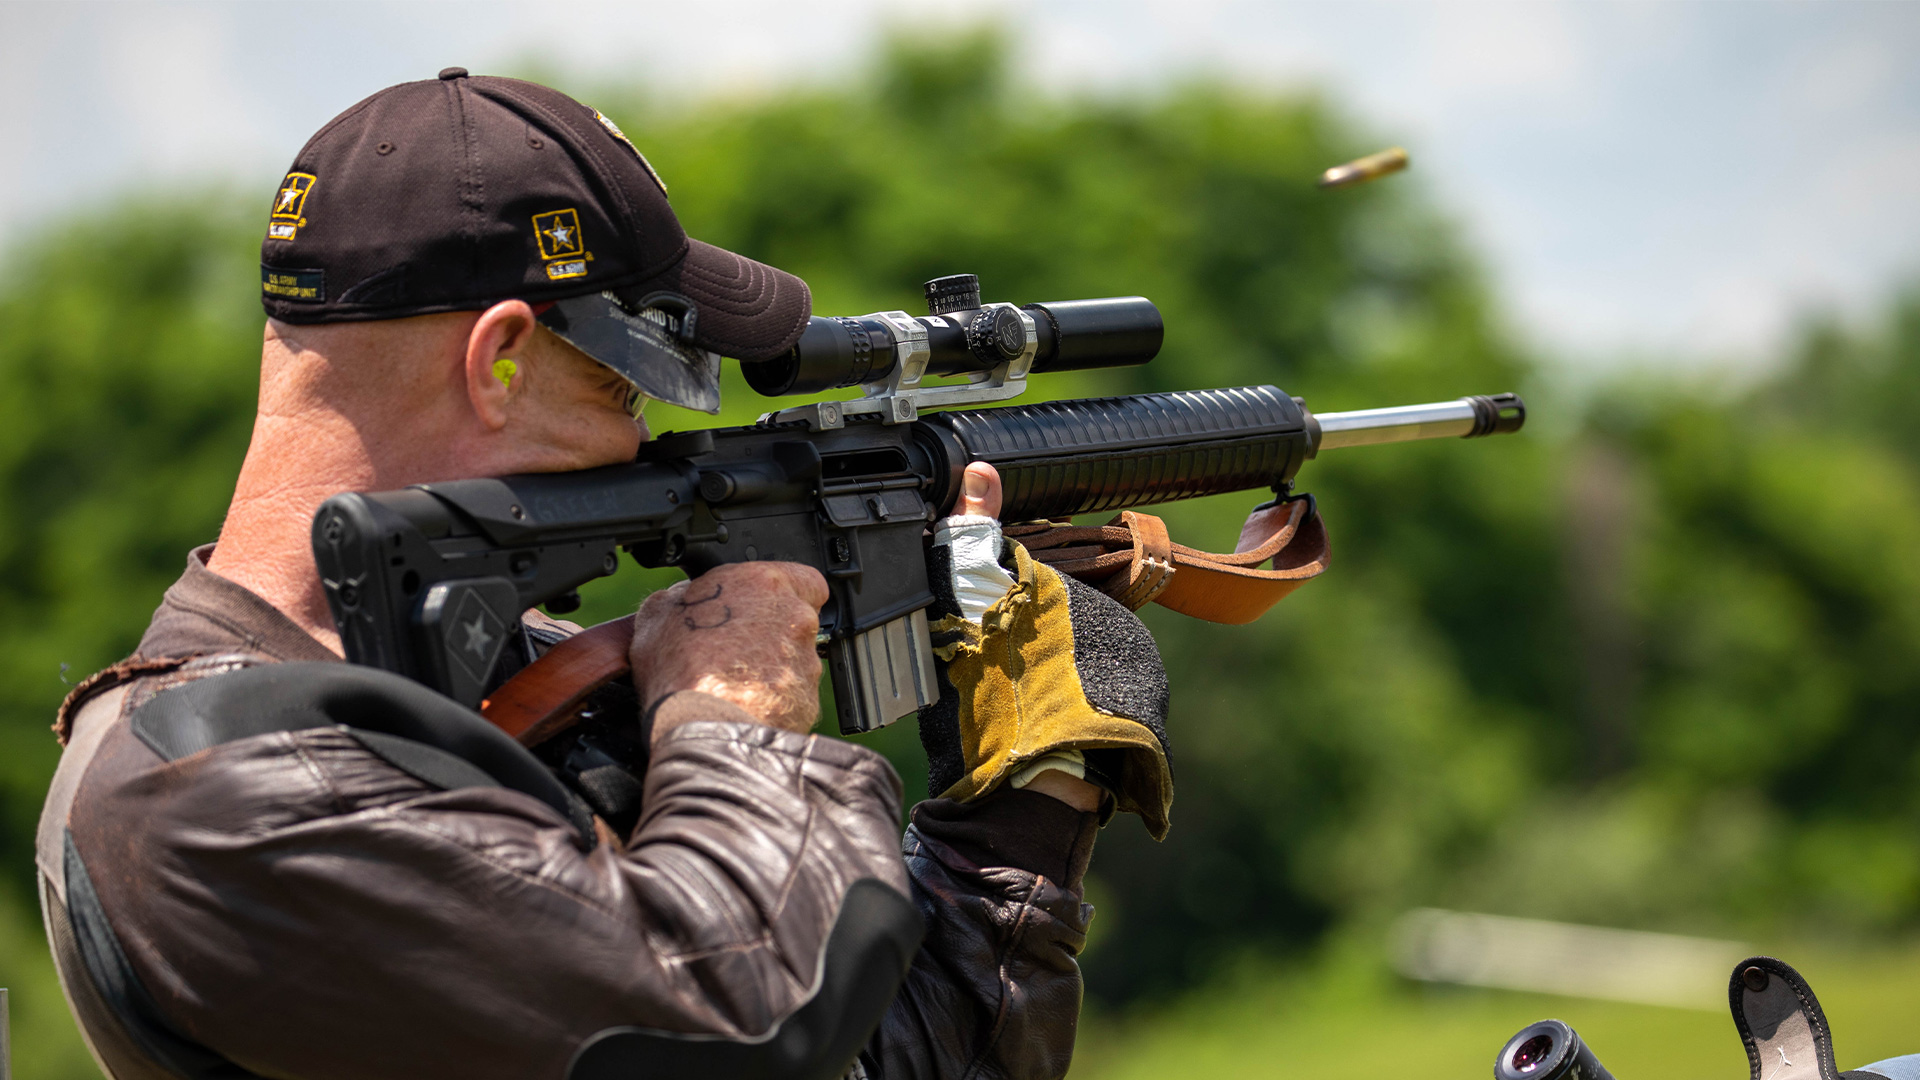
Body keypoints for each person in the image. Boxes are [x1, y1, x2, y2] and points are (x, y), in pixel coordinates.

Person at [36, 71, 1173, 1080]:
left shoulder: (501, 694)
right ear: (499, 360)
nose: (642, 445)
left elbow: (871, 1054)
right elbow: (741, 1021)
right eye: (624, 393)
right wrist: (735, 717)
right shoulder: (208, 795)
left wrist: (1037, 787)